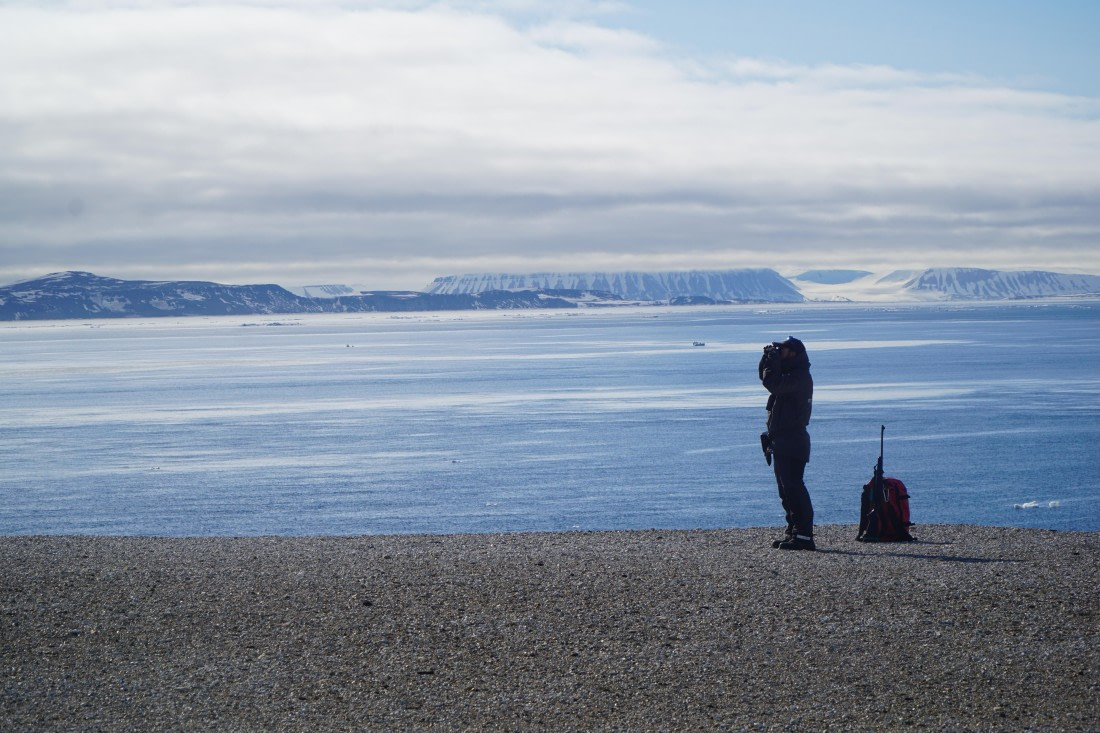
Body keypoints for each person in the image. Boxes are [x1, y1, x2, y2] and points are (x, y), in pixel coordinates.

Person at [758, 336, 815, 550]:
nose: (779, 352)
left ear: (793, 353)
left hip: (793, 439)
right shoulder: (791, 374)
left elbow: (772, 384)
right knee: (786, 490)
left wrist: (772, 361)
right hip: (783, 439)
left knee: (794, 488)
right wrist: (767, 359)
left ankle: (804, 536)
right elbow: (766, 378)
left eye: (782, 350)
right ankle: (794, 531)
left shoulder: (800, 377)